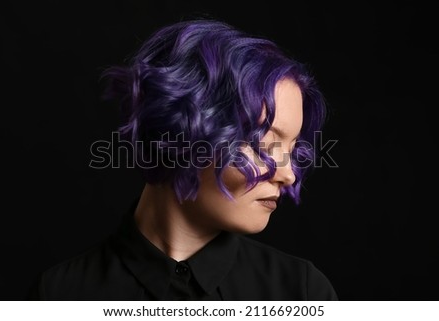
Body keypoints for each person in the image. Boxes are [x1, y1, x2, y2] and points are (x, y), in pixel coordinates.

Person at [28, 18, 338, 300]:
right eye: (264, 143)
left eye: (292, 148)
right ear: (181, 133)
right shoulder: (60, 295)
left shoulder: (301, 292)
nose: (289, 175)